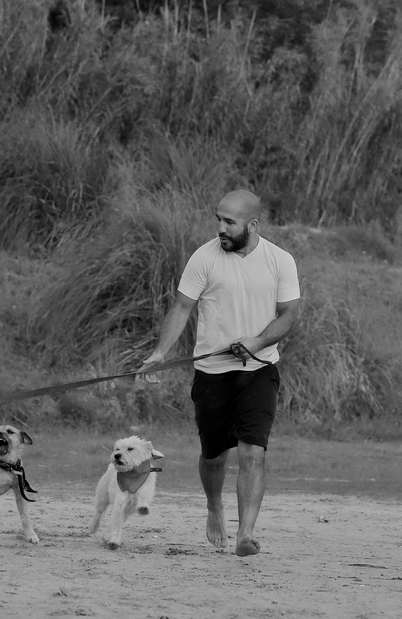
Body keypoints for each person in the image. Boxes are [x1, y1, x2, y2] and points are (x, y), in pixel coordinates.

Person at [140, 190, 301, 557]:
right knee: (213, 456)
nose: (221, 228)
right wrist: (160, 352)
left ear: (253, 225)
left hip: (259, 369)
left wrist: (258, 341)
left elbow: (289, 314)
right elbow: (182, 308)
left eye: (230, 222)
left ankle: (245, 534)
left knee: (252, 452)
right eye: (219, 219)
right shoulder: (205, 256)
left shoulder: (280, 260)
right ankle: (214, 505)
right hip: (212, 372)